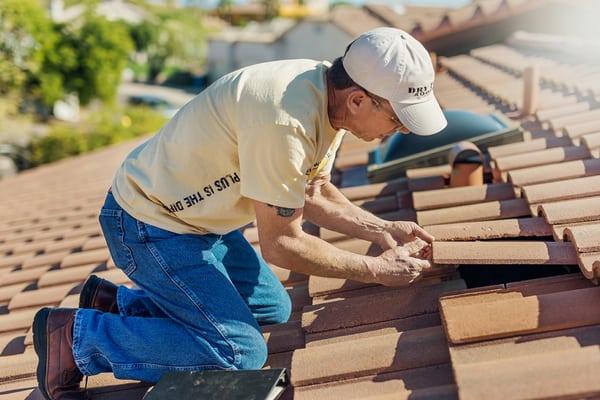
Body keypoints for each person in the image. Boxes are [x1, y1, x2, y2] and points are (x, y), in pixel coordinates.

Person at [32, 27, 447, 399]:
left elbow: (314, 188)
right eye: (397, 118)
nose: (403, 130)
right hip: (148, 224)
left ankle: (117, 304)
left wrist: (381, 229)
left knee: (273, 309)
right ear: (358, 99)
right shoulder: (285, 120)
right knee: (239, 352)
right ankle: (76, 338)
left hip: (203, 224)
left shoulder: (329, 99)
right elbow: (282, 244)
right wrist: (375, 270)